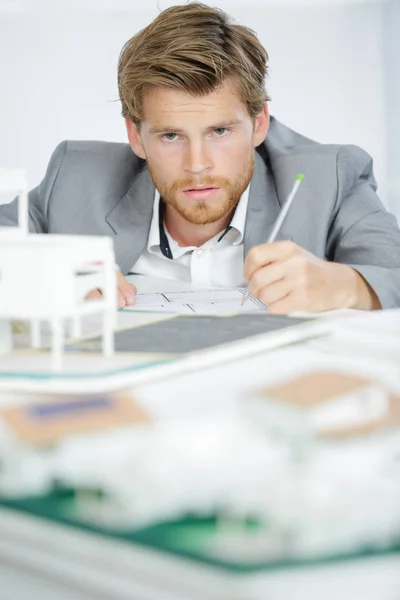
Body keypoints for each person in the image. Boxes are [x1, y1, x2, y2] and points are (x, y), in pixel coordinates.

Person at [2, 2, 400, 312]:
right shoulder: (76, 176)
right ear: (135, 136)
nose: (197, 164)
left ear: (259, 123)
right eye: (171, 135)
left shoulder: (330, 178)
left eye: (220, 131)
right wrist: (44, 272)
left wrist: (348, 285)